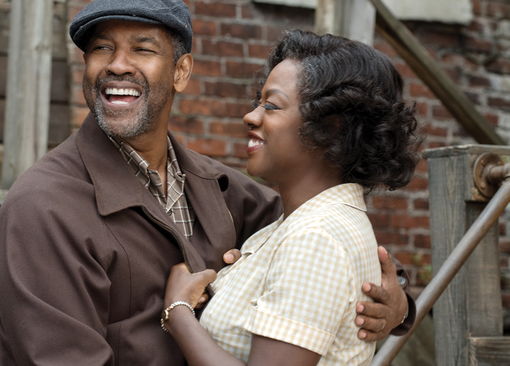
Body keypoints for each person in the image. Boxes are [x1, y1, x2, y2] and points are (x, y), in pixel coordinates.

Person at [0, 1, 413, 365]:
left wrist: (399, 303)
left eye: (142, 48)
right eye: (102, 48)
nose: (117, 64)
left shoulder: (224, 190)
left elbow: (323, 246)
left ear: (181, 71)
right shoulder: (43, 208)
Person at [161, 29, 421, 366]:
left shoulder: (315, 237)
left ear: (329, 128)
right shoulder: (296, 225)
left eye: (271, 105)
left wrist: (178, 311)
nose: (250, 116)